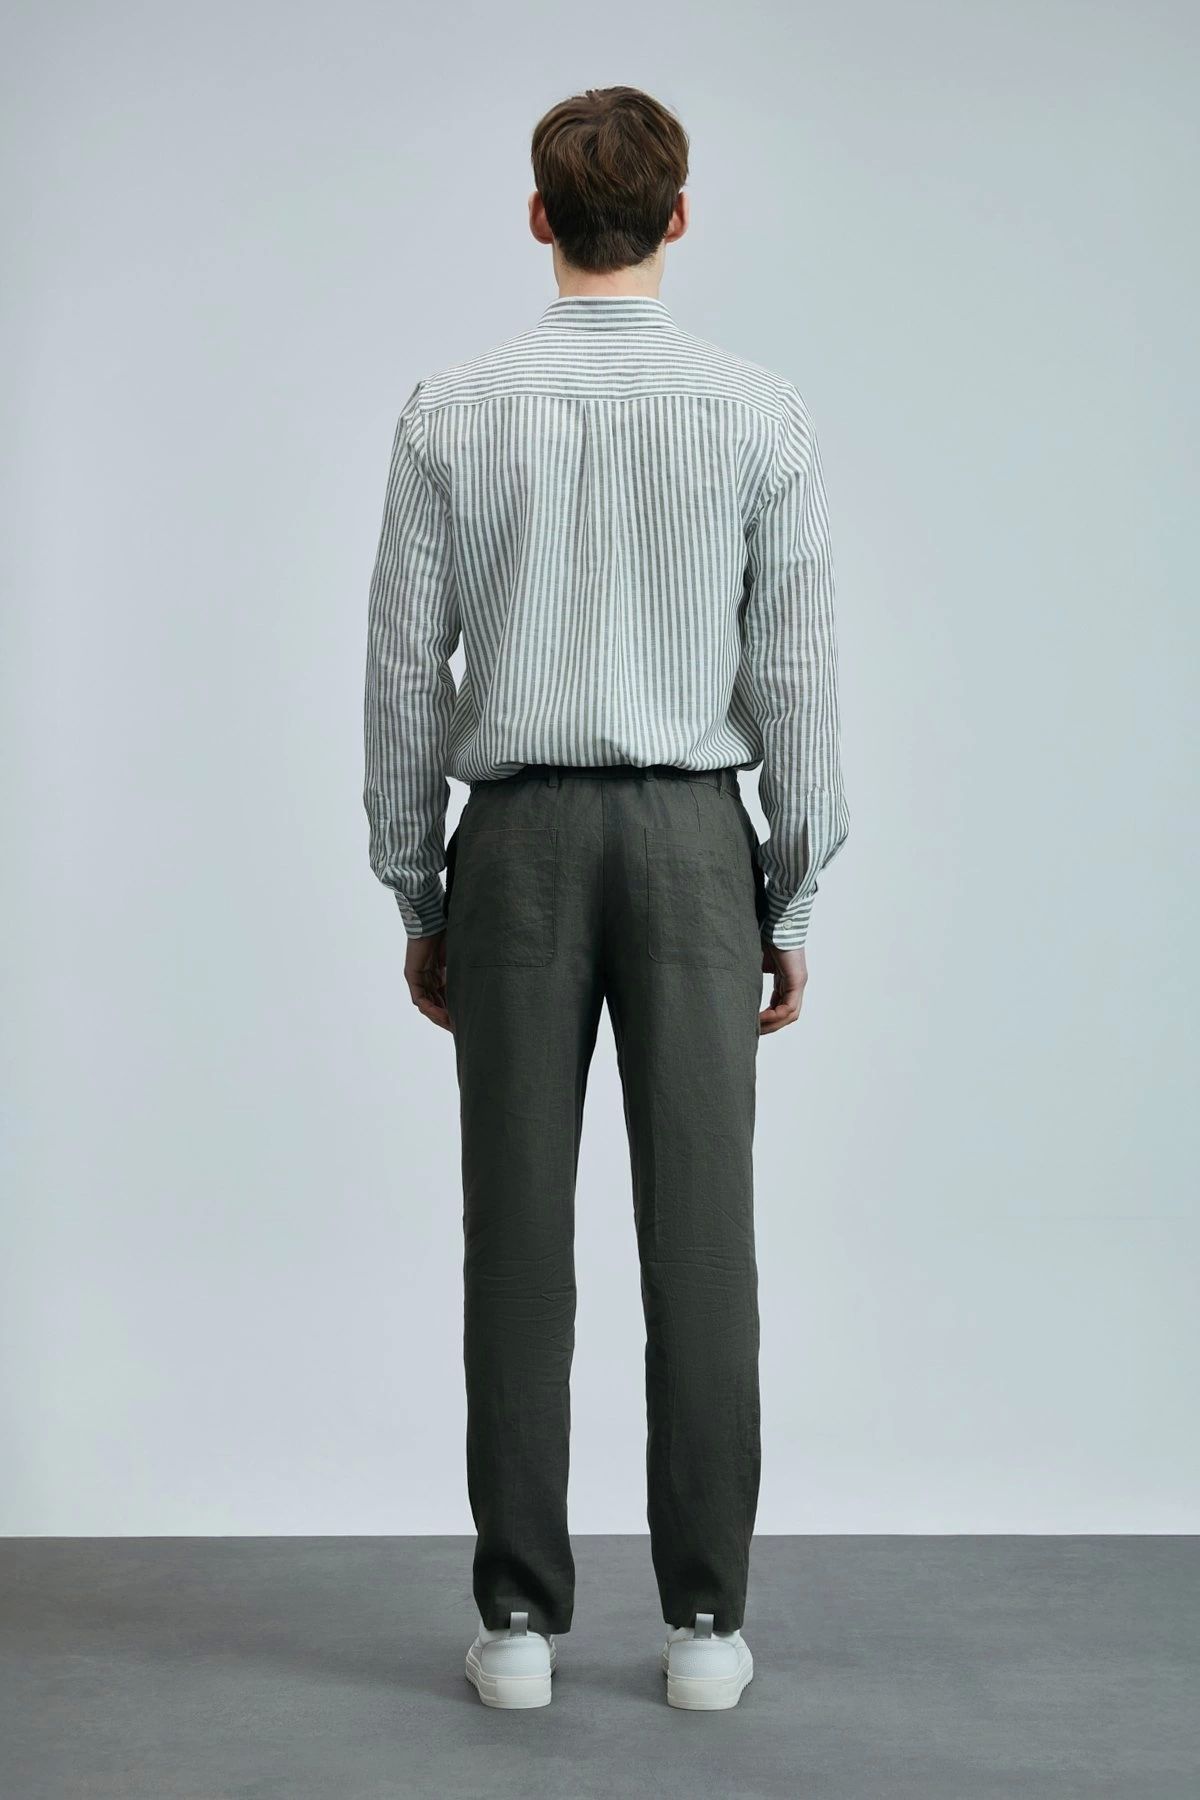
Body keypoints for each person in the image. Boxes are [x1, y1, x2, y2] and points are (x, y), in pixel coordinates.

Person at [363, 84, 849, 1712]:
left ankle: (517, 1624)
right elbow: (798, 672)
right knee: (705, 1238)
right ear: (679, 218)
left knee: (515, 1238)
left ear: (538, 218)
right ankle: (706, 1627)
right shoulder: (757, 412)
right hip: (698, 847)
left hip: (514, 849)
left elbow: (403, 675)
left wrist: (415, 881)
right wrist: (792, 890)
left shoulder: (452, 410)